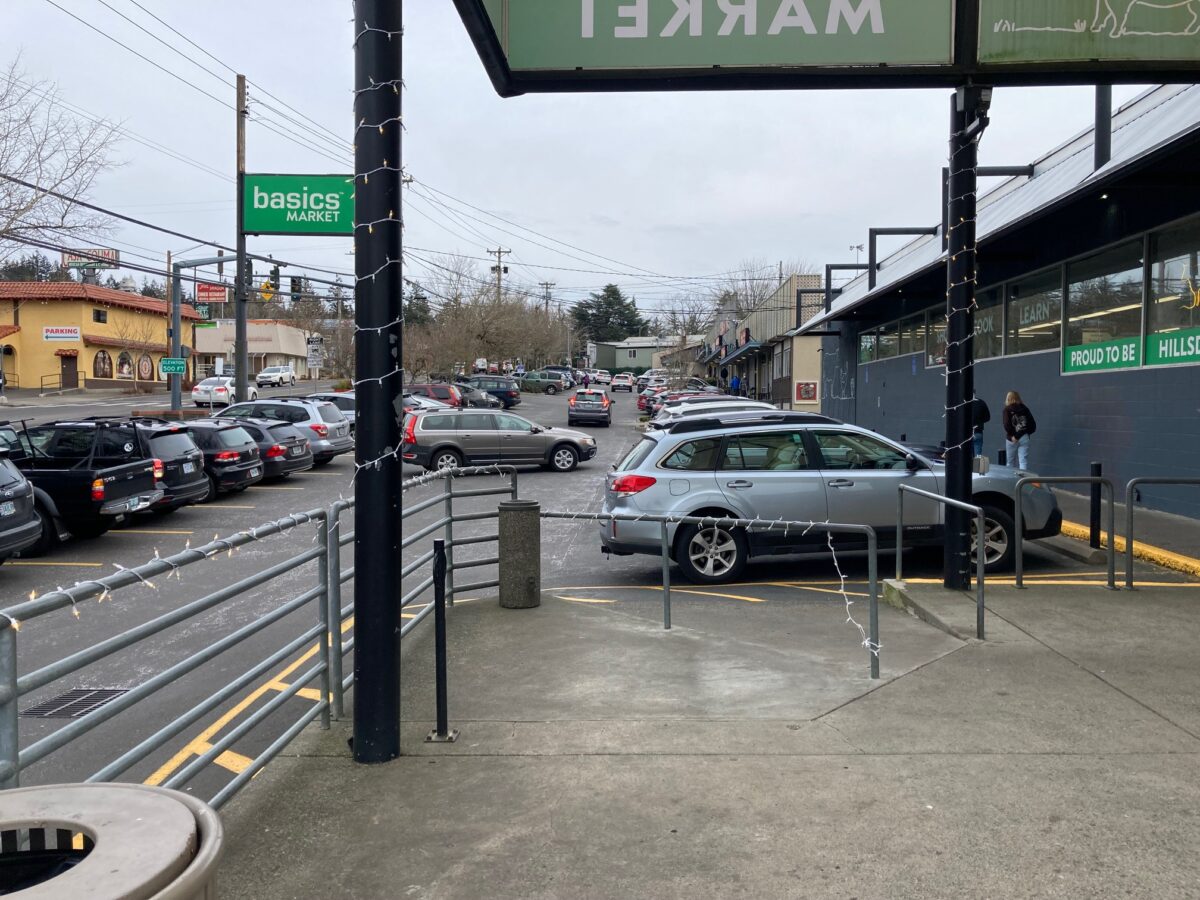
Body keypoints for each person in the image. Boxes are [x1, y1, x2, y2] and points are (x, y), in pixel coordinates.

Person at [1002, 390, 1036, 470]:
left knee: (1010, 462)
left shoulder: (1007, 409)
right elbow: (1032, 425)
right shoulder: (1025, 408)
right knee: (1023, 461)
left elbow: (1006, 425)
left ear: (1008, 399)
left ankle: (1010, 481)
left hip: (1012, 438)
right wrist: (1027, 433)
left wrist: (1013, 436)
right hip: (1024, 437)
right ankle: (1023, 481)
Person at [970, 393, 991, 457]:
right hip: (978, 432)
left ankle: (968, 467)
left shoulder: (963, 403)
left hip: (966, 434)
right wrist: (979, 421)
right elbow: (988, 417)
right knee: (978, 455)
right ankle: (977, 466)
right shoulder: (981, 402)